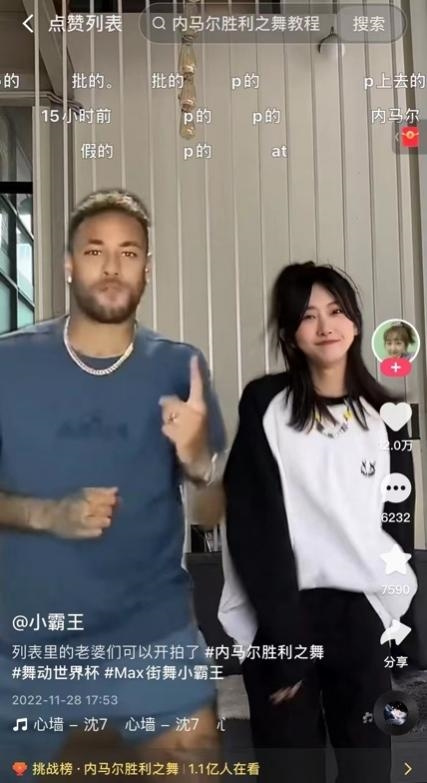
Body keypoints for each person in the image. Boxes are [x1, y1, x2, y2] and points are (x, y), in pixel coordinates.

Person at [0, 189, 227, 777]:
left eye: (129, 253)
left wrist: (197, 458)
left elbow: (209, 509)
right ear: (68, 265)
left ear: (146, 269)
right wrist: (48, 515)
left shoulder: (179, 366)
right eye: (94, 250)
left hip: (153, 638)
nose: (111, 266)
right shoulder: (8, 364)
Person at [218, 262, 418, 783]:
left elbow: (397, 525)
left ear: (354, 321)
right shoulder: (266, 403)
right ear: (290, 333)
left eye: (336, 311)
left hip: (361, 617)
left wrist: (398, 627)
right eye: (309, 316)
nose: (326, 326)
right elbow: (252, 523)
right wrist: (282, 640)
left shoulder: (387, 414)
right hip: (284, 612)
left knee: (369, 768)